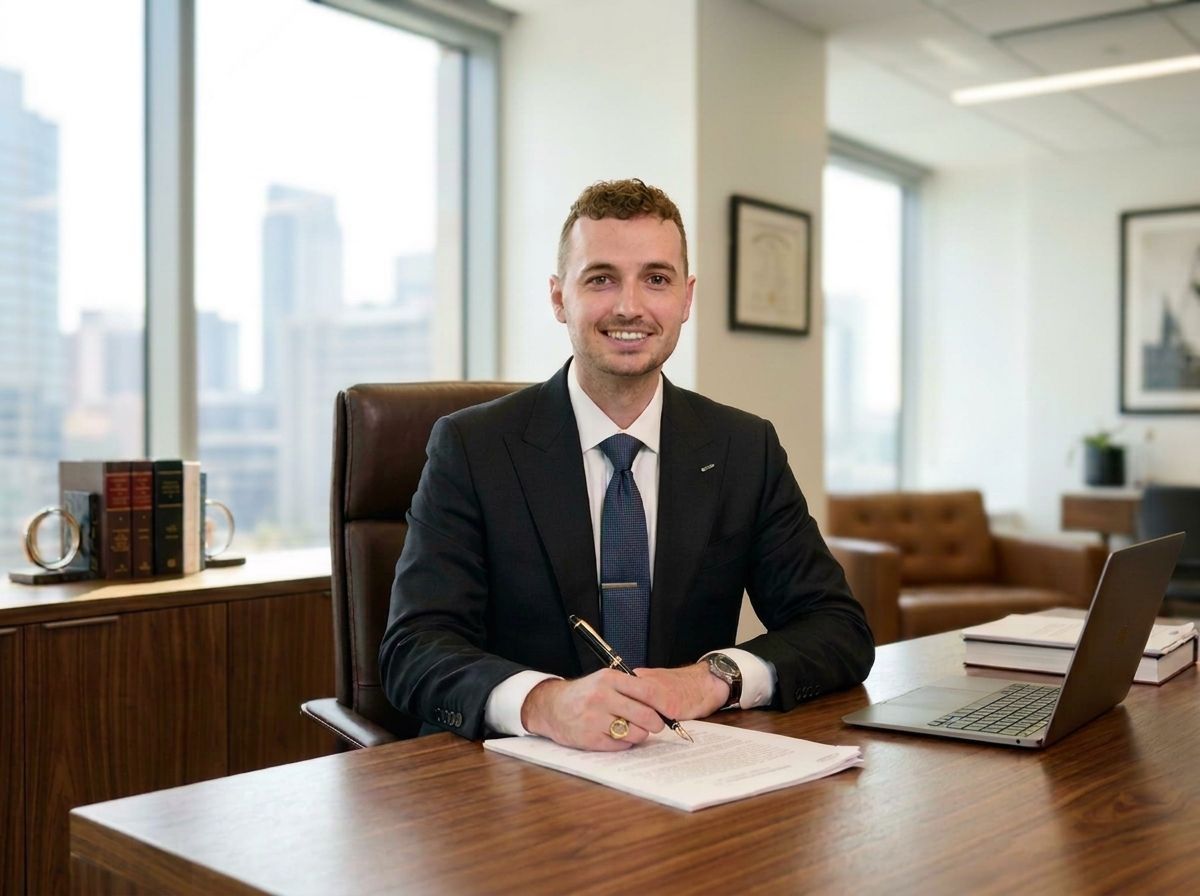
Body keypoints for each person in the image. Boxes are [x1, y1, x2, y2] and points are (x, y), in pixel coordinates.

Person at [379, 178, 874, 751]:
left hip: (683, 771)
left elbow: (838, 627)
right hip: (513, 781)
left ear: (686, 299)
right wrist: (544, 703)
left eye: (656, 280)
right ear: (559, 296)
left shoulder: (743, 447)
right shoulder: (471, 446)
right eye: (601, 278)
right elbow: (413, 647)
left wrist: (714, 678)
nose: (630, 306)